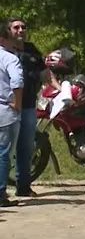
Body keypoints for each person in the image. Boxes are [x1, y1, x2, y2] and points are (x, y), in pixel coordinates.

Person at [6, 17, 60, 198]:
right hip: (8, 107)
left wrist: (61, 91)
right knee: (4, 149)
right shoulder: (4, 51)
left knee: (26, 148)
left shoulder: (31, 50)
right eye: (16, 27)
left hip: (28, 106)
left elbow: (46, 74)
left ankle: (23, 187)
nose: (20, 30)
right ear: (8, 31)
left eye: (23, 27)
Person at [0, 25, 24, 207]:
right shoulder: (10, 59)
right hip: (5, 111)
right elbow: (16, 82)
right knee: (3, 153)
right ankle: (1, 193)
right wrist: (17, 104)